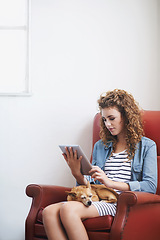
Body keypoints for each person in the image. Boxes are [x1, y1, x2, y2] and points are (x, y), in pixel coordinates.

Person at [42, 89, 157, 240]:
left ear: (126, 116)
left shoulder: (147, 146)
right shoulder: (100, 146)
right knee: (48, 212)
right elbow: (93, 184)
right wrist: (77, 173)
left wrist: (110, 183)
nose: (107, 124)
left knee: (69, 210)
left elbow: (150, 186)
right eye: (104, 120)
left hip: (118, 201)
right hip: (96, 196)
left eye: (112, 118)